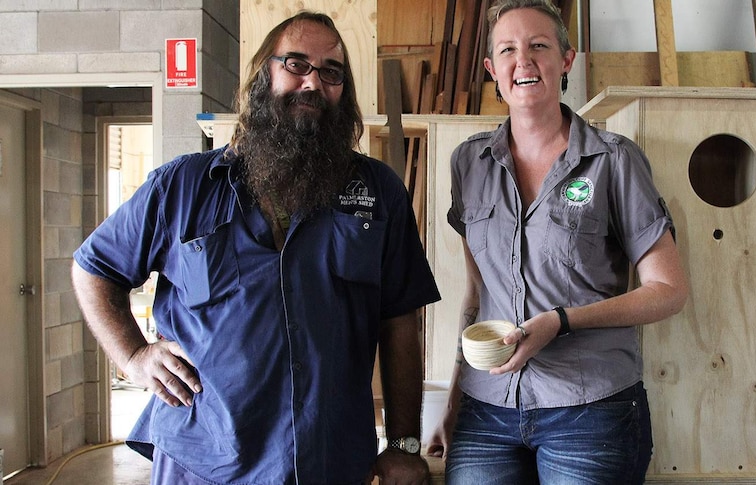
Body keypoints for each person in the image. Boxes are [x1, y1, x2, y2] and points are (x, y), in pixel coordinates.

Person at [71, 11, 440, 485]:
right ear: (264, 73)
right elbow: (94, 267)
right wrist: (133, 357)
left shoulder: (378, 191)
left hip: (330, 463)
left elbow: (400, 322)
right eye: (296, 63)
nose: (313, 82)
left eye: (331, 72)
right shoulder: (183, 186)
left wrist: (405, 444)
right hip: (202, 461)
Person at [427, 1, 689, 484]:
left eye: (539, 46)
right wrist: (453, 404)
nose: (522, 61)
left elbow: (668, 289)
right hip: (487, 413)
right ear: (492, 70)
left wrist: (561, 322)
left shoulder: (613, 161)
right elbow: (475, 298)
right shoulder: (469, 164)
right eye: (507, 49)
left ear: (566, 61)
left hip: (591, 409)